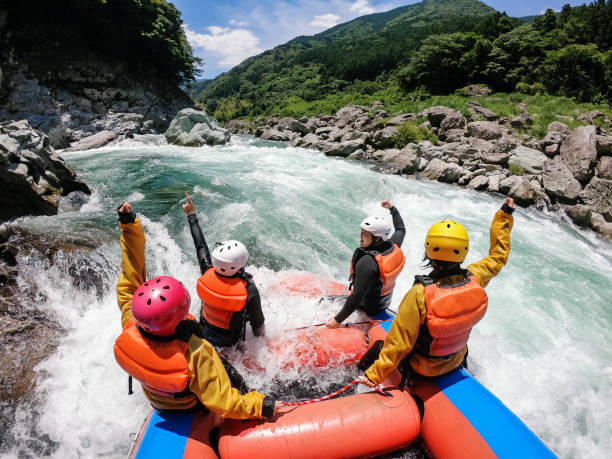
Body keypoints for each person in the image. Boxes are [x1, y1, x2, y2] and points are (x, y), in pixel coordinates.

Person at [113, 201, 278, 418]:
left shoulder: (131, 321)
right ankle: (249, 392)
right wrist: (260, 405)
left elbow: (129, 281)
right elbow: (222, 402)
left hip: (158, 399)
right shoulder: (196, 353)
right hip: (190, 405)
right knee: (231, 375)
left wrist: (129, 226)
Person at [359, 197, 515, 387]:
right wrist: (504, 216)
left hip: (423, 368)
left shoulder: (419, 294)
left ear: (428, 251)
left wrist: (374, 376)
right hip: (456, 359)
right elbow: (498, 257)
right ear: (463, 250)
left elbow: (398, 343)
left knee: (379, 347)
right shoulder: (477, 277)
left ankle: (356, 380)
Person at [182, 193, 265, 348]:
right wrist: (261, 346)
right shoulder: (249, 289)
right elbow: (258, 326)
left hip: (204, 335)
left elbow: (200, 245)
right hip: (231, 345)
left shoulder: (207, 271)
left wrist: (191, 215)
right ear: (241, 266)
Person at [327, 200, 406, 328]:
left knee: (324, 301)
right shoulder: (393, 246)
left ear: (377, 238)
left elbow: (357, 296)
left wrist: (337, 320)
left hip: (367, 307)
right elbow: (401, 229)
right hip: (383, 304)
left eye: (365, 234)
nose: (360, 236)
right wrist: (393, 209)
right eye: (361, 232)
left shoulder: (368, 262)